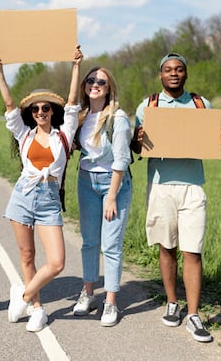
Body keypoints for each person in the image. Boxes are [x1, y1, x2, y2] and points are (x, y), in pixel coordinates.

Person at [131, 52, 221, 342]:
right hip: (161, 186)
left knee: (193, 250)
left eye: (179, 69)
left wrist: (217, 138)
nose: (174, 73)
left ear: (186, 74)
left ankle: (194, 315)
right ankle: (173, 302)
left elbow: (207, 142)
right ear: (160, 75)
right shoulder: (148, 105)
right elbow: (135, 148)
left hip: (193, 187)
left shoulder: (200, 104)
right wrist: (137, 139)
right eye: (168, 70)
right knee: (167, 248)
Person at [0, 52, 79, 332]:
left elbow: (74, 102)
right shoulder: (24, 134)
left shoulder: (64, 134)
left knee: (56, 262)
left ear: (53, 111)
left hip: (49, 199)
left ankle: (24, 295)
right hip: (23, 196)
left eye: (45, 108)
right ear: (31, 114)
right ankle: (37, 309)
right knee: (27, 255)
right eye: (35, 110)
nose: (40, 112)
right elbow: (8, 104)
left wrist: (76, 66)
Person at [68, 47, 133, 327]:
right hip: (85, 182)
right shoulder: (81, 117)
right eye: (91, 81)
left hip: (113, 185)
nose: (95, 85)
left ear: (109, 89)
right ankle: (88, 292)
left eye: (101, 82)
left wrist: (112, 197)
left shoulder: (117, 118)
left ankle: (110, 302)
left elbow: (121, 159)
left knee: (111, 244)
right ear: (85, 87)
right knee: (89, 242)